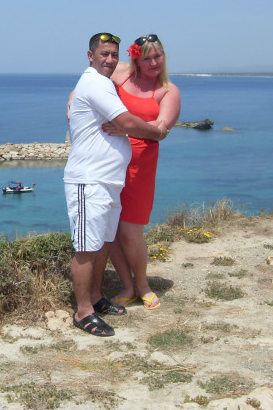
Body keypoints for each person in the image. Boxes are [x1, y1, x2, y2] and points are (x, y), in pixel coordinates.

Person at [64, 32, 167, 337]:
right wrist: (158, 133)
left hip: (109, 181)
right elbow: (126, 122)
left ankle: (96, 297)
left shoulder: (104, 82)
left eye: (114, 54)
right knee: (87, 247)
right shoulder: (95, 83)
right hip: (89, 180)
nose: (109, 60)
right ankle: (83, 312)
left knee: (103, 244)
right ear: (90, 56)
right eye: (103, 54)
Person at [104, 34, 181, 310]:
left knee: (130, 230)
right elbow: (89, 83)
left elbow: (161, 131)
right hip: (110, 161)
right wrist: (72, 100)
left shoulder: (168, 90)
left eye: (157, 56)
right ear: (136, 58)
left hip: (141, 167)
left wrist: (127, 127)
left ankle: (143, 285)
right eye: (147, 58)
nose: (153, 63)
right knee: (110, 229)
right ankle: (127, 287)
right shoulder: (122, 72)